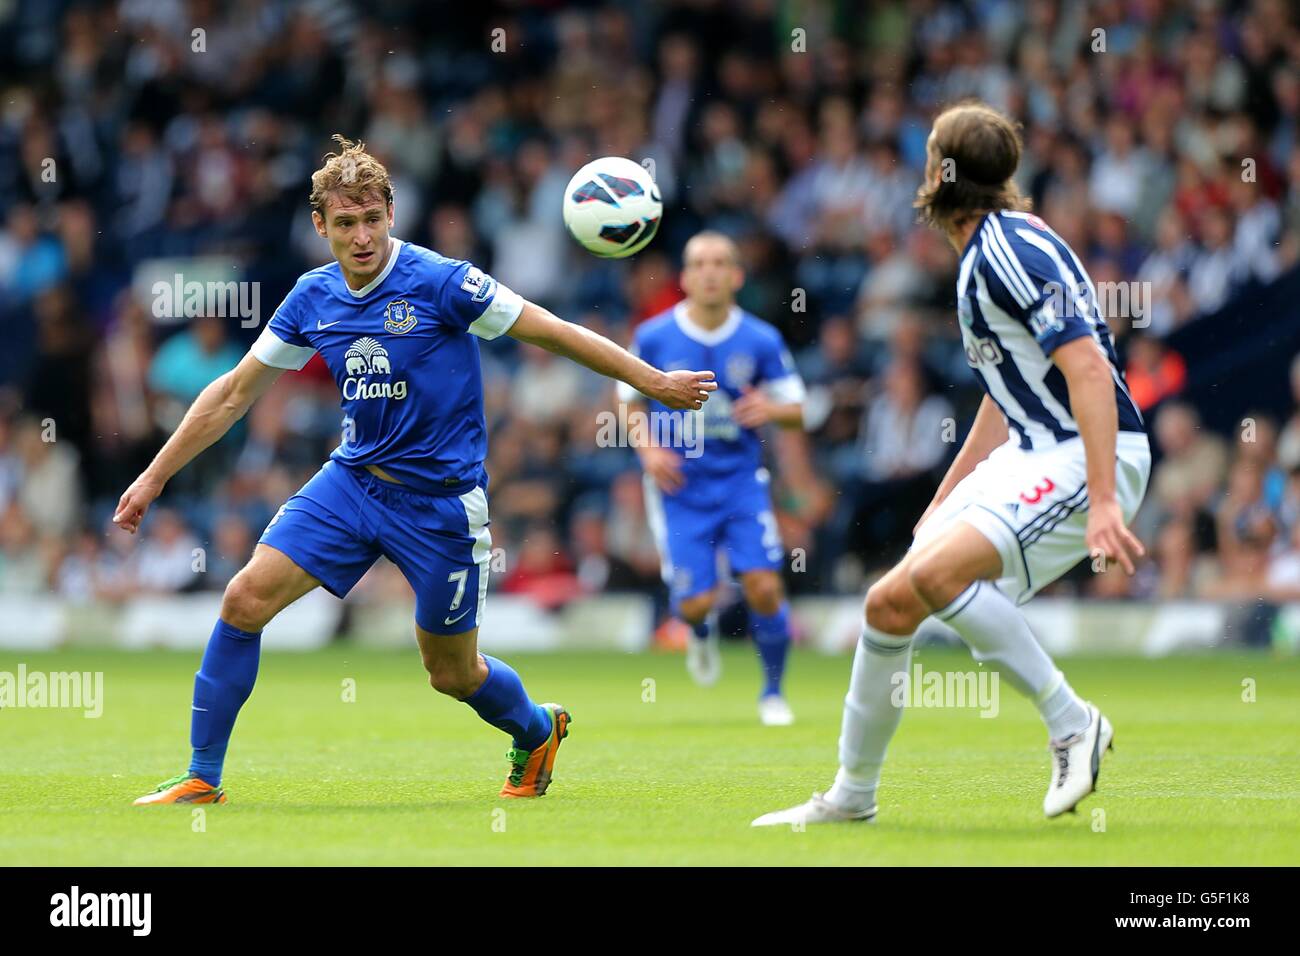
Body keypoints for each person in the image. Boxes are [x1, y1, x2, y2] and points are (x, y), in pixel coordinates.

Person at [116, 137, 716, 805]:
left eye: (372, 218)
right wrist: (154, 477)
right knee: (244, 599)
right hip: (352, 483)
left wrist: (651, 380)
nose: (362, 236)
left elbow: (548, 329)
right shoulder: (312, 296)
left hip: (441, 505)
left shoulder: (441, 281)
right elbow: (232, 393)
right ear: (320, 226)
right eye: (345, 223)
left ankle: (537, 728)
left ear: (391, 214)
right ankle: (203, 775)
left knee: (452, 674)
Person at [754, 101, 1150, 826]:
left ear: (940, 173)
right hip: (1038, 446)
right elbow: (1003, 398)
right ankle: (852, 796)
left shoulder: (1004, 254)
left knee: (936, 578)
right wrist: (949, 492)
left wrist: (1102, 500)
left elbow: (1090, 371)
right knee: (890, 601)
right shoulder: (990, 252)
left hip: (1085, 452)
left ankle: (1072, 723)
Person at [623, 231, 806, 725]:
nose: (709, 271)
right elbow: (628, 403)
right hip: (681, 487)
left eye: (720, 262)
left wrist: (771, 408)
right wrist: (648, 452)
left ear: (736, 276)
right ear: (684, 277)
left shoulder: (762, 339)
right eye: (699, 263)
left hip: (742, 482)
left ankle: (772, 693)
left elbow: (799, 409)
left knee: (764, 586)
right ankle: (699, 633)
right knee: (695, 604)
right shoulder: (655, 336)